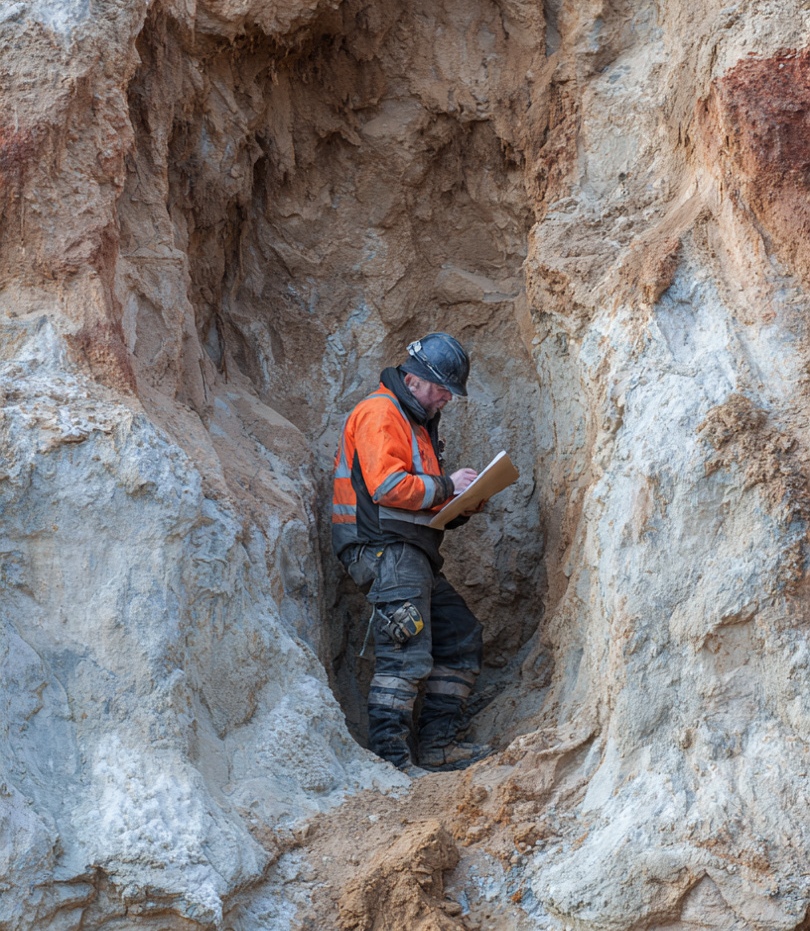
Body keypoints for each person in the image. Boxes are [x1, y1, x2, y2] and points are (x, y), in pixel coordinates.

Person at [332, 332, 488, 774]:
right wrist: (447, 486)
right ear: (416, 379)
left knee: (459, 636)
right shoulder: (381, 413)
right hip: (384, 552)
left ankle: (439, 747)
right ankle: (392, 764)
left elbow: (416, 499)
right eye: (442, 390)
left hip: (409, 553)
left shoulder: (413, 421)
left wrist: (463, 501)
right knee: (404, 655)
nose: (446, 400)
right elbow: (387, 487)